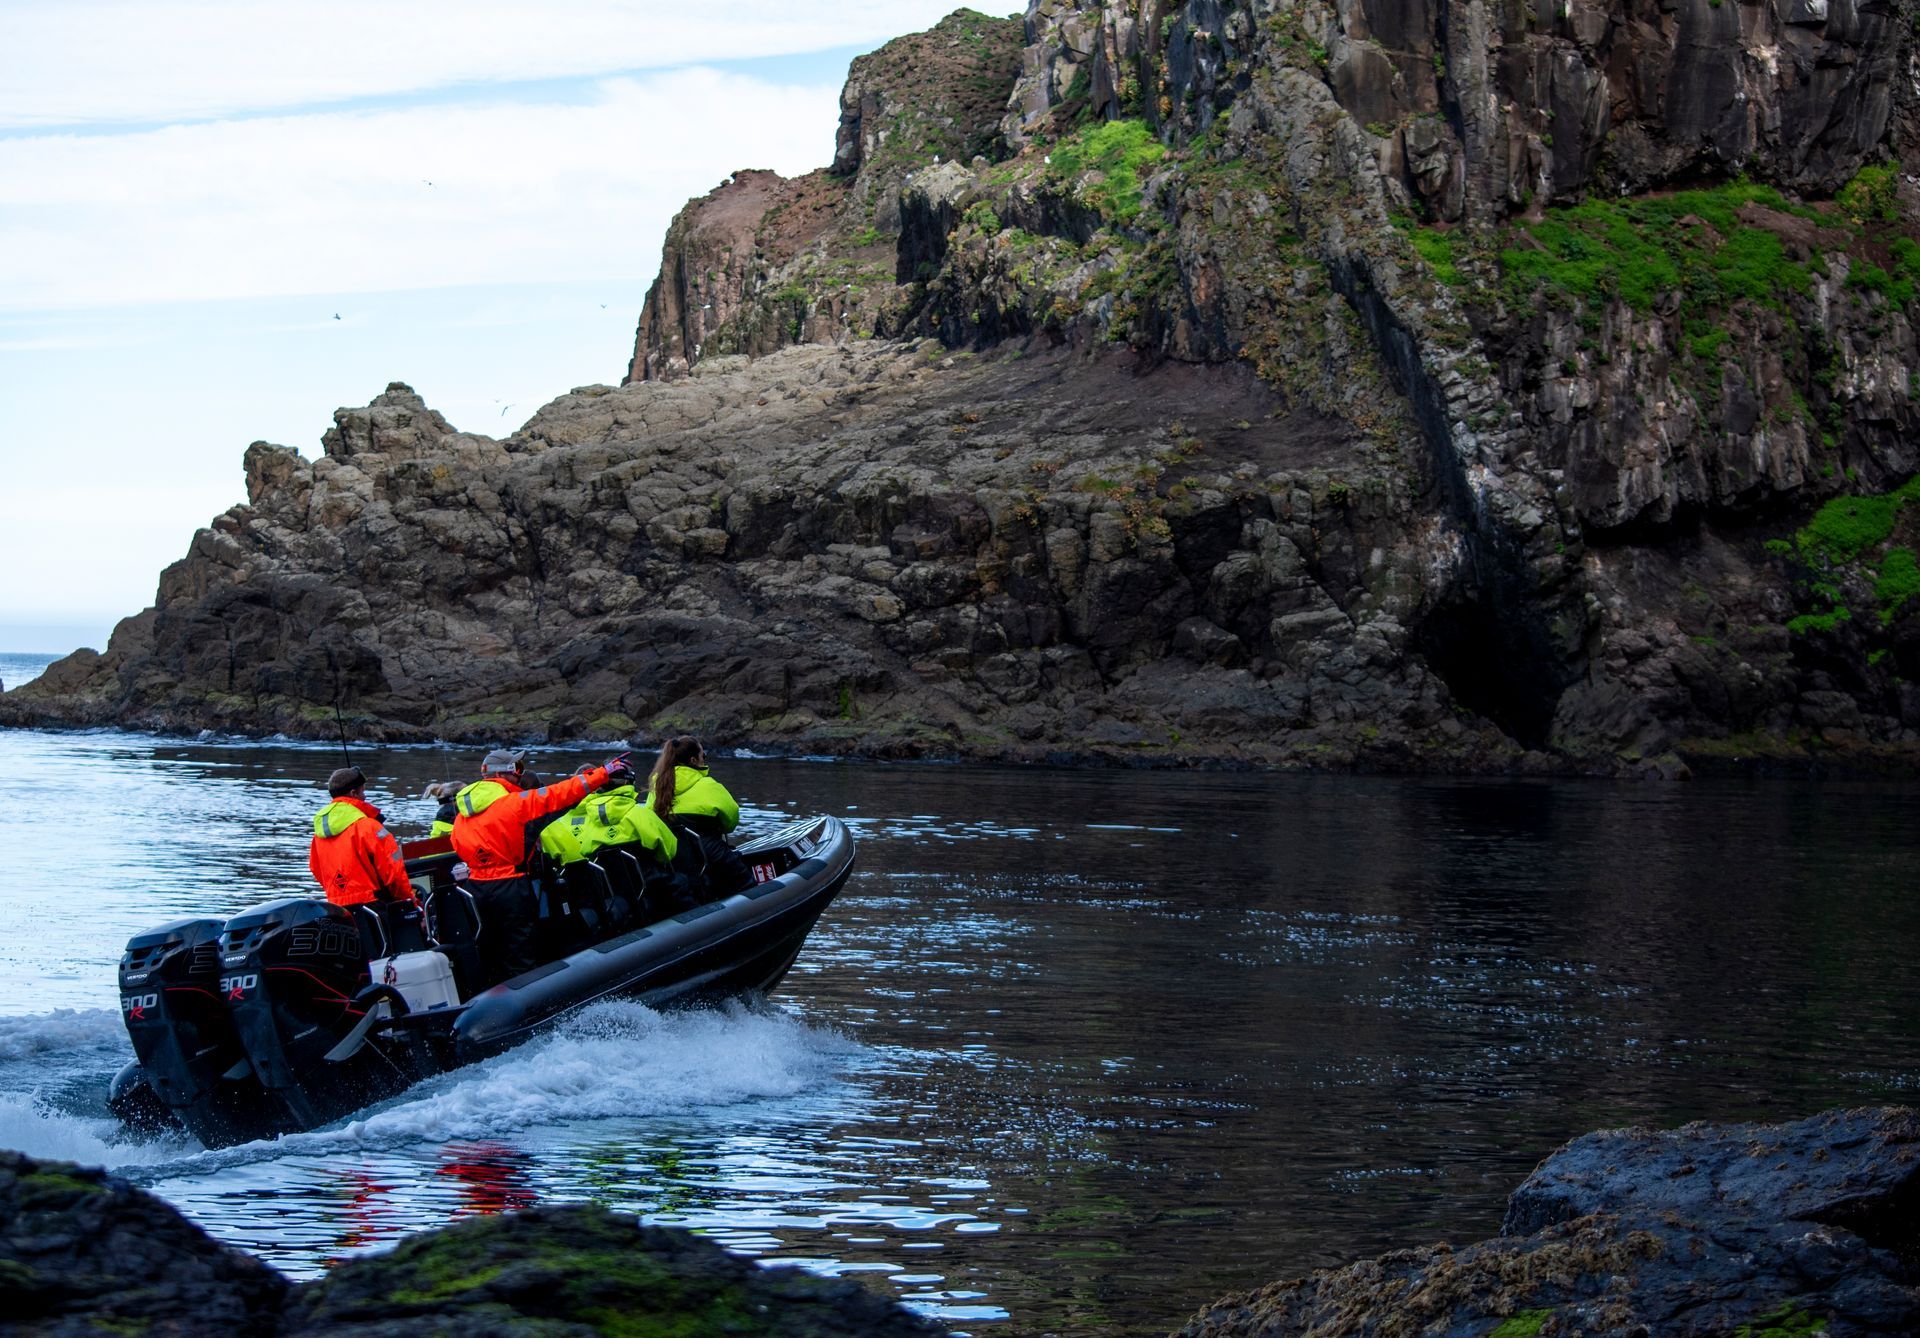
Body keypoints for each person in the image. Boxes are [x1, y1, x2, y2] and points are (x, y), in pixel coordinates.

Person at [450, 747, 632, 983]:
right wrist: (602, 774)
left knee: (491, 948)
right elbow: (560, 793)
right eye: (517, 769)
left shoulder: (462, 813)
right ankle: (529, 1009)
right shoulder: (516, 804)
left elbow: (457, 843)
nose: (519, 774)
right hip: (511, 887)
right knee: (520, 950)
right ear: (504, 774)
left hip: (474, 888)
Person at [309, 766, 424, 955]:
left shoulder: (318, 835)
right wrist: (409, 902)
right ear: (354, 793)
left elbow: (315, 868)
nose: (365, 797)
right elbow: (393, 872)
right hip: (373, 907)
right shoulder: (370, 827)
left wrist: (340, 890)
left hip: (338, 910)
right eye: (363, 791)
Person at [644, 737, 752, 896]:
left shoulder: (656, 789)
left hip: (674, 862)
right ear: (694, 760)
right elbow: (731, 821)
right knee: (749, 886)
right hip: (713, 857)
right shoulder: (709, 786)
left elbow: (650, 824)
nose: (704, 759)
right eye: (704, 756)